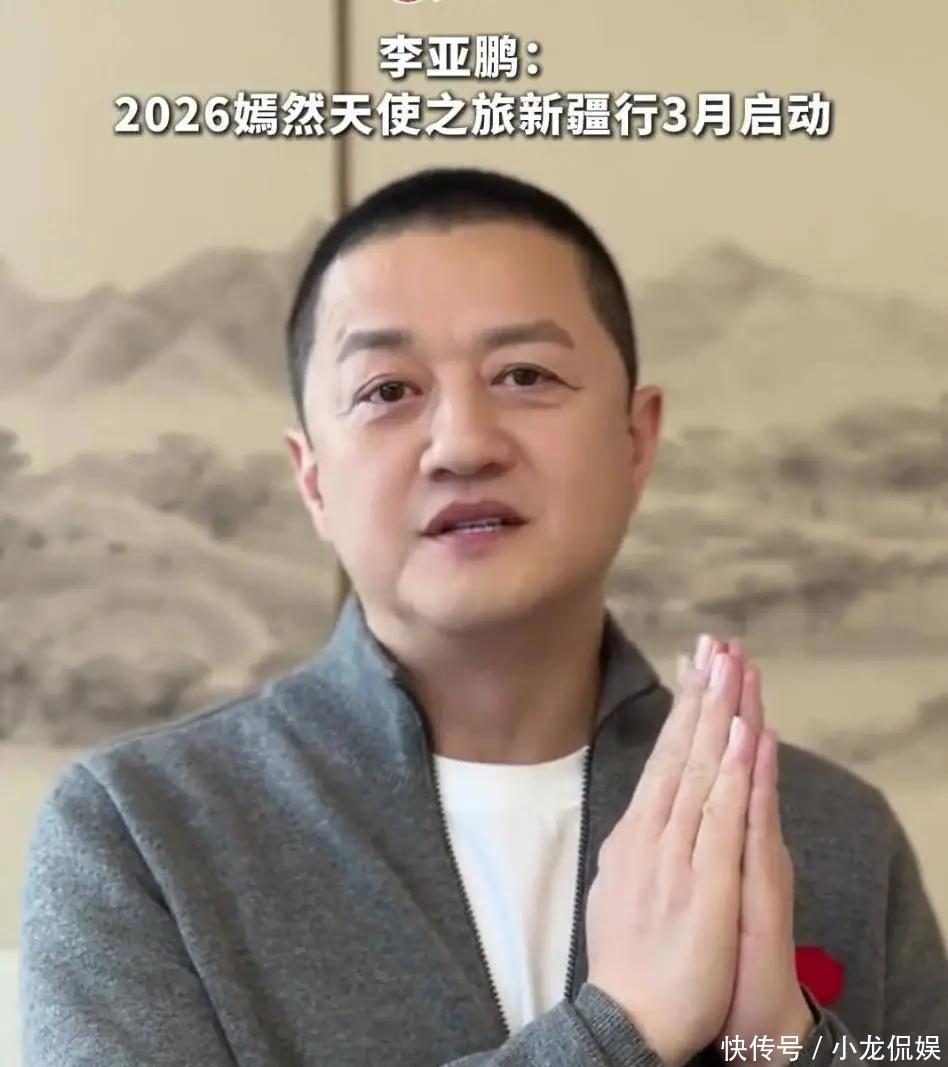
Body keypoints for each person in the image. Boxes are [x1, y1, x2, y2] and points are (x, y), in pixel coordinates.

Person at [19, 167, 947, 1067]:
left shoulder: (833, 833)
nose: (462, 444)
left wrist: (787, 1047)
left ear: (636, 440)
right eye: (387, 391)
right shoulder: (138, 833)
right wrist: (622, 1028)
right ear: (313, 479)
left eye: (525, 374)